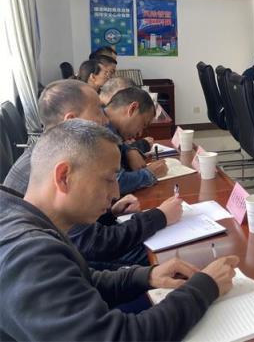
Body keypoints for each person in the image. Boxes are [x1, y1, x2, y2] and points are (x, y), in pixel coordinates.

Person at [0, 119, 239, 341]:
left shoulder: (25, 218)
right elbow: (119, 337)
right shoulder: (29, 255)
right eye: (108, 179)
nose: (115, 193)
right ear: (64, 177)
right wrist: (205, 287)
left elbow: (82, 279)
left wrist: (146, 276)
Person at [2, 79, 180, 269]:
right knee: (167, 252)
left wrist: (109, 213)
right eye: (98, 111)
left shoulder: (51, 152)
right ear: (71, 121)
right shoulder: (57, 166)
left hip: (76, 252)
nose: (105, 119)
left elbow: (81, 232)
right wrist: (159, 216)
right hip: (78, 262)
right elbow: (97, 245)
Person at [104, 87, 168, 194]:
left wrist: (129, 149)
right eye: (143, 124)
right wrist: (150, 173)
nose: (140, 133)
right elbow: (114, 183)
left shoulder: (110, 127)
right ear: (132, 109)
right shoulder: (100, 131)